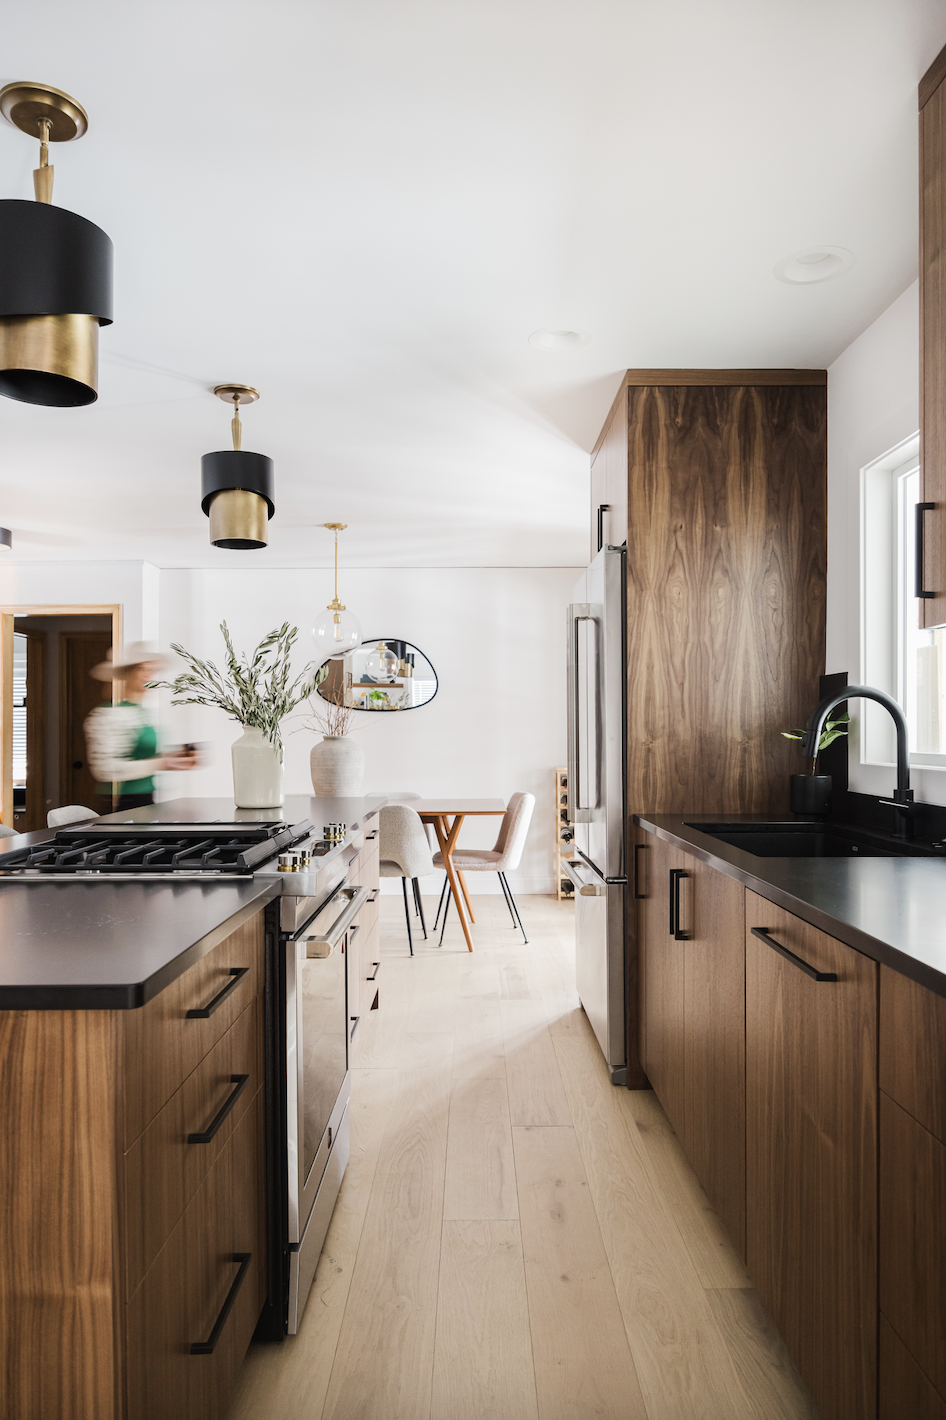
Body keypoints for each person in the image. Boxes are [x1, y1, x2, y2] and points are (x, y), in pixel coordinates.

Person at [84, 642, 197, 810]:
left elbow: (142, 756)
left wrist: (173, 759)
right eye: (141, 669)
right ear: (128, 673)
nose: (149, 675)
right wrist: (162, 763)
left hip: (145, 799)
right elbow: (105, 770)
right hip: (121, 802)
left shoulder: (144, 713)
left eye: (151, 670)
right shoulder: (108, 715)